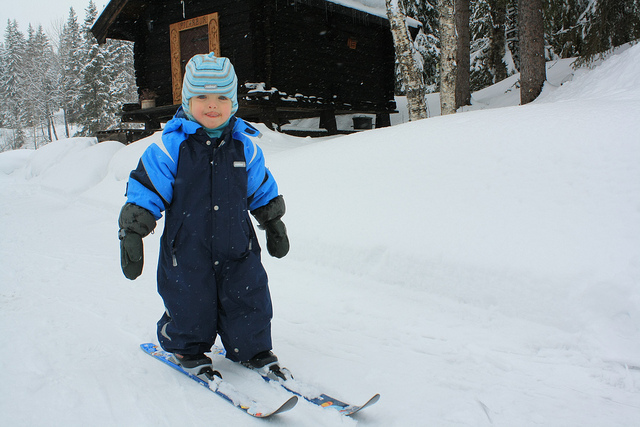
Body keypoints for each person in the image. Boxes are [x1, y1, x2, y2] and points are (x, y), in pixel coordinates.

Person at [118, 53, 290, 380]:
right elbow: (147, 187)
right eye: (202, 97)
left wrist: (273, 221)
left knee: (248, 298)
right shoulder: (170, 148)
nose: (212, 105)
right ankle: (187, 347)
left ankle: (252, 347)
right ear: (187, 100)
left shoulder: (245, 147)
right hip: (187, 247)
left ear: (233, 103)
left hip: (238, 246)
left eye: (222, 97)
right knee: (190, 303)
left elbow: (260, 186)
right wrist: (132, 231)